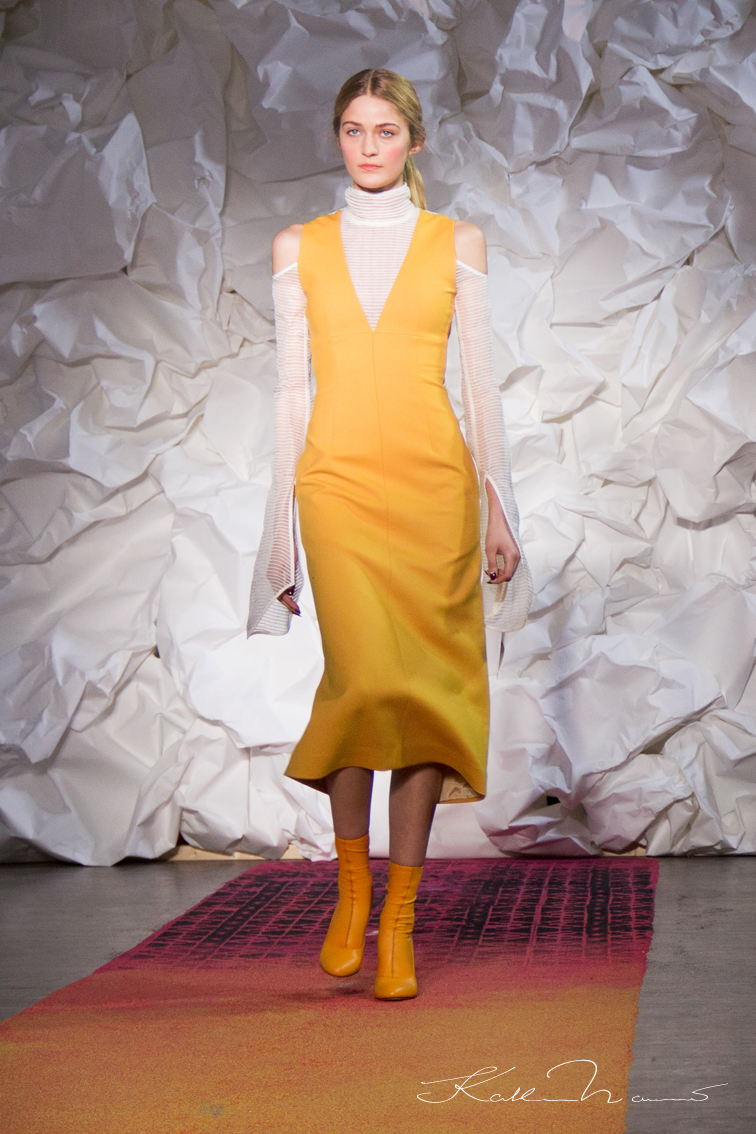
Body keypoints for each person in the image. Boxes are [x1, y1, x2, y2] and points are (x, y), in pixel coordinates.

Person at [248, 68, 532, 1000]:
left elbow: (480, 386)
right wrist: (279, 540)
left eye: (385, 131)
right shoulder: (299, 246)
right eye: (352, 130)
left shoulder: (457, 241)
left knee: (421, 701)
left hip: (434, 489)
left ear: (414, 141)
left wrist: (499, 507)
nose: (368, 146)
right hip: (334, 487)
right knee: (364, 684)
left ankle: (399, 921)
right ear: (338, 137)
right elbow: (289, 397)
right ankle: (351, 892)